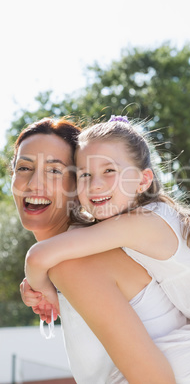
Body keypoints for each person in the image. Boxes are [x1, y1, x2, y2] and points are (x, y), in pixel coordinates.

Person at [24, 115, 190, 383]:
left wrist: (41, 288)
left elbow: (39, 255)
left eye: (109, 171)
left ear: (143, 181)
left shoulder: (140, 222)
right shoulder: (141, 219)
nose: (95, 184)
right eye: (84, 175)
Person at [13, 117, 179, 383]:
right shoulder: (71, 257)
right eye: (23, 167)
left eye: (55, 171)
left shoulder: (75, 264)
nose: (34, 184)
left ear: (80, 182)